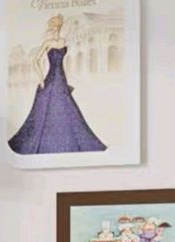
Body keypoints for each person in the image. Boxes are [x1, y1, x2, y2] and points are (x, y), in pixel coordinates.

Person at [8, 14, 107, 155]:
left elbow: (63, 62)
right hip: (51, 78)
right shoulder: (47, 43)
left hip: (61, 78)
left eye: (56, 28)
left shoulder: (63, 41)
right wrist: (41, 78)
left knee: (67, 108)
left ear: (59, 28)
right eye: (52, 28)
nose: (53, 30)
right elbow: (35, 61)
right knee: (50, 108)